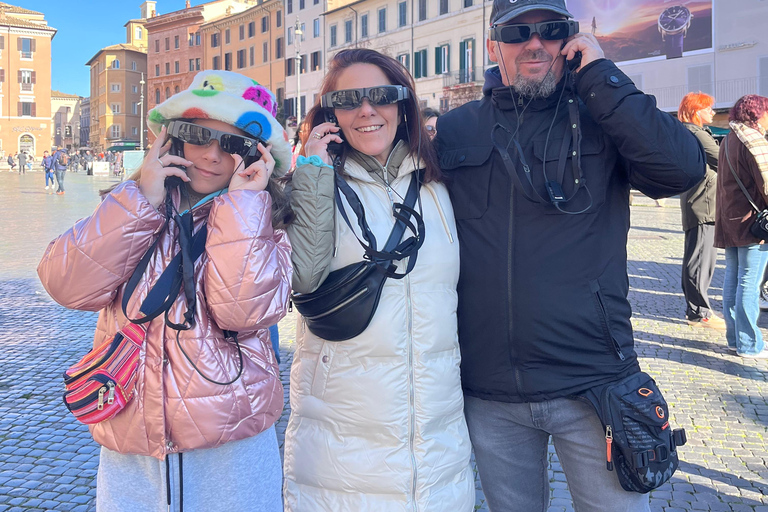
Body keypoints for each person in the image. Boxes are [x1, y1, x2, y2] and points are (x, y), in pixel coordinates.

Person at [434, 0, 705, 510]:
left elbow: (682, 172)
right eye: (518, 33)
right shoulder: (456, 129)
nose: (534, 43)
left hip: (594, 382)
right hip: (489, 389)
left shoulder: (604, 116)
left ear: (571, 39)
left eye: (551, 30)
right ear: (495, 47)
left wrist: (601, 77)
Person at [37, 70, 294, 511]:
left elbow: (241, 312)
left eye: (234, 144)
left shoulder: (266, 224)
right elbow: (66, 285)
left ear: (257, 156)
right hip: (132, 442)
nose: (213, 155)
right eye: (199, 135)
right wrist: (141, 200)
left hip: (229, 448)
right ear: (173, 138)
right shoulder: (133, 204)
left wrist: (243, 206)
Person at [283, 48, 475, 511]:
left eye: (381, 96)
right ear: (331, 113)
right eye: (349, 100)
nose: (367, 110)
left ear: (403, 104)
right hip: (340, 439)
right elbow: (303, 277)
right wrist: (312, 170)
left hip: (437, 439)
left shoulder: (440, 183)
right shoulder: (315, 181)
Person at [715, 94, 768, 358]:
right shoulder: (754, 139)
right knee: (748, 282)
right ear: (757, 113)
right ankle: (748, 344)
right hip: (752, 223)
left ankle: (734, 339)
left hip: (731, 220)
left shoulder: (728, 139)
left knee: (733, 280)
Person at [678, 92, 725, 330]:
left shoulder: (690, 131)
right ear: (697, 111)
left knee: (700, 257)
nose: (713, 113)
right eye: (709, 109)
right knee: (700, 259)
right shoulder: (695, 133)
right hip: (703, 202)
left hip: (701, 201)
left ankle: (697, 310)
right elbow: (722, 159)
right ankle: (699, 312)